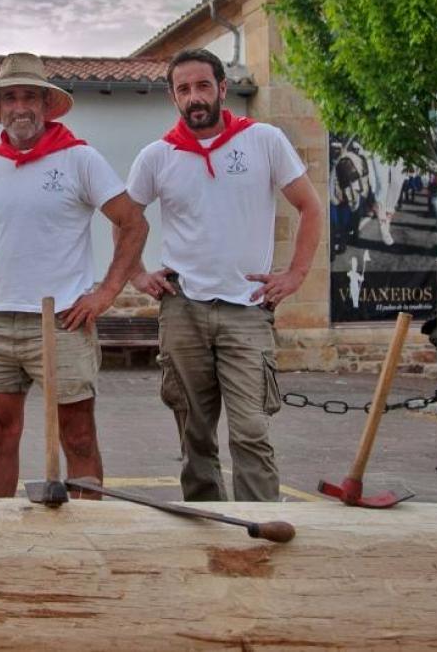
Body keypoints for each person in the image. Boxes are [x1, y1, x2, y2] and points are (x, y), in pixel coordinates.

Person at [0, 52, 148, 498]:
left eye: (29, 96)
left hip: (61, 322)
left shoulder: (80, 159)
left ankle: (89, 533)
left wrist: (107, 292)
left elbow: (133, 222)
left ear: (46, 105)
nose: (19, 107)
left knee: (77, 436)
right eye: (9, 98)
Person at [126, 48, 323, 502]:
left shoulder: (264, 141)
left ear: (221, 88)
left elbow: (310, 207)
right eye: (183, 89)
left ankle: (260, 525)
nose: (194, 96)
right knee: (194, 434)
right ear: (173, 97)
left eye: (202, 86)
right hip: (183, 309)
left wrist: (294, 275)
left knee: (251, 430)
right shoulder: (157, 156)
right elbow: (126, 217)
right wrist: (136, 272)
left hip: (247, 311)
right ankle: (206, 528)